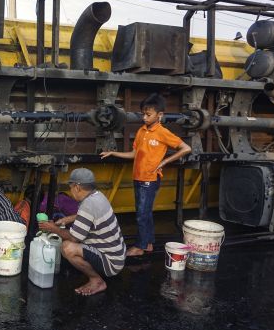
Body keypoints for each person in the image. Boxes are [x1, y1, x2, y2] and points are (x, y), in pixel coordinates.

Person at [100, 93, 191, 257]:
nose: (144, 118)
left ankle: (140, 247)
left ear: (160, 115)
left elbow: (186, 148)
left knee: (142, 215)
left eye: (148, 115)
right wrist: (113, 153)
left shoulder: (163, 132)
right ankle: (148, 243)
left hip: (150, 179)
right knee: (145, 213)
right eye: (143, 114)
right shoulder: (141, 131)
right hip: (138, 177)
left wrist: (164, 162)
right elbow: (134, 154)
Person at [38, 168, 126, 296]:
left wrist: (53, 228)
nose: (71, 191)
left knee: (67, 247)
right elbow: (87, 215)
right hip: (118, 255)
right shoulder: (98, 196)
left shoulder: (87, 205)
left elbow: (74, 238)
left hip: (111, 262)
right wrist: (67, 219)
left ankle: (97, 280)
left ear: (77, 187)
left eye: (71, 187)